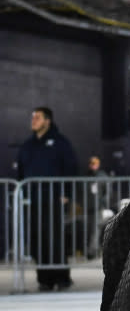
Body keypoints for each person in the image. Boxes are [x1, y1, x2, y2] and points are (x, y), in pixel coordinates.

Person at [17, 106, 78, 291]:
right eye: (32, 117)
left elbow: (71, 168)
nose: (33, 120)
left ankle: (62, 278)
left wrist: (66, 194)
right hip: (33, 200)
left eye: (38, 117)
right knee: (36, 240)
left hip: (53, 200)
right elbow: (21, 170)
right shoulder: (27, 145)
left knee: (54, 239)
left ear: (47, 121)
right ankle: (44, 279)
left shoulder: (60, 143)